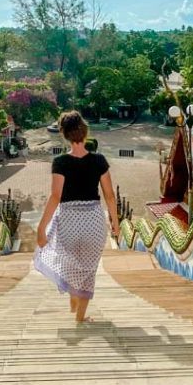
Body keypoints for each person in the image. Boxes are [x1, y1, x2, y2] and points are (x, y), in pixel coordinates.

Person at [34, 110, 120, 323]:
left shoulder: (60, 162)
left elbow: (56, 196)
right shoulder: (99, 160)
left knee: (70, 265)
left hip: (69, 222)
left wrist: (41, 228)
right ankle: (80, 316)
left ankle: (73, 295)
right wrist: (115, 223)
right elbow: (109, 196)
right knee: (88, 269)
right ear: (85, 132)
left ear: (64, 134)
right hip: (93, 221)